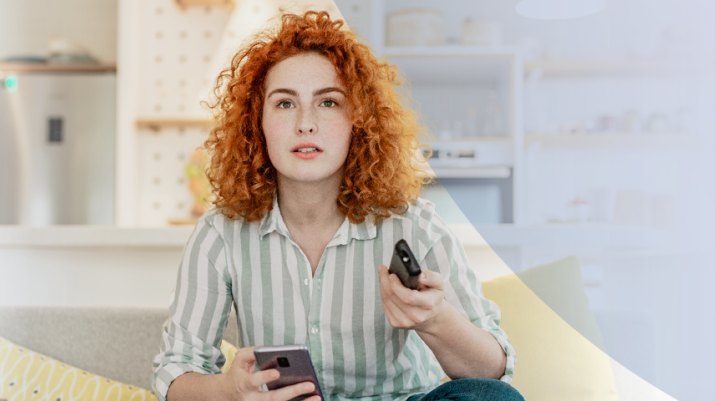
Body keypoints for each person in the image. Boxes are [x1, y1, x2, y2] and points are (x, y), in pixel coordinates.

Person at [152, 10, 522, 401]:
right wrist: (229, 389)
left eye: (328, 102)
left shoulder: (415, 226)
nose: (305, 123)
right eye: (284, 104)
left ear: (357, 121)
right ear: (256, 122)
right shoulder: (220, 233)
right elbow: (175, 374)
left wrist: (437, 319)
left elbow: (494, 372)